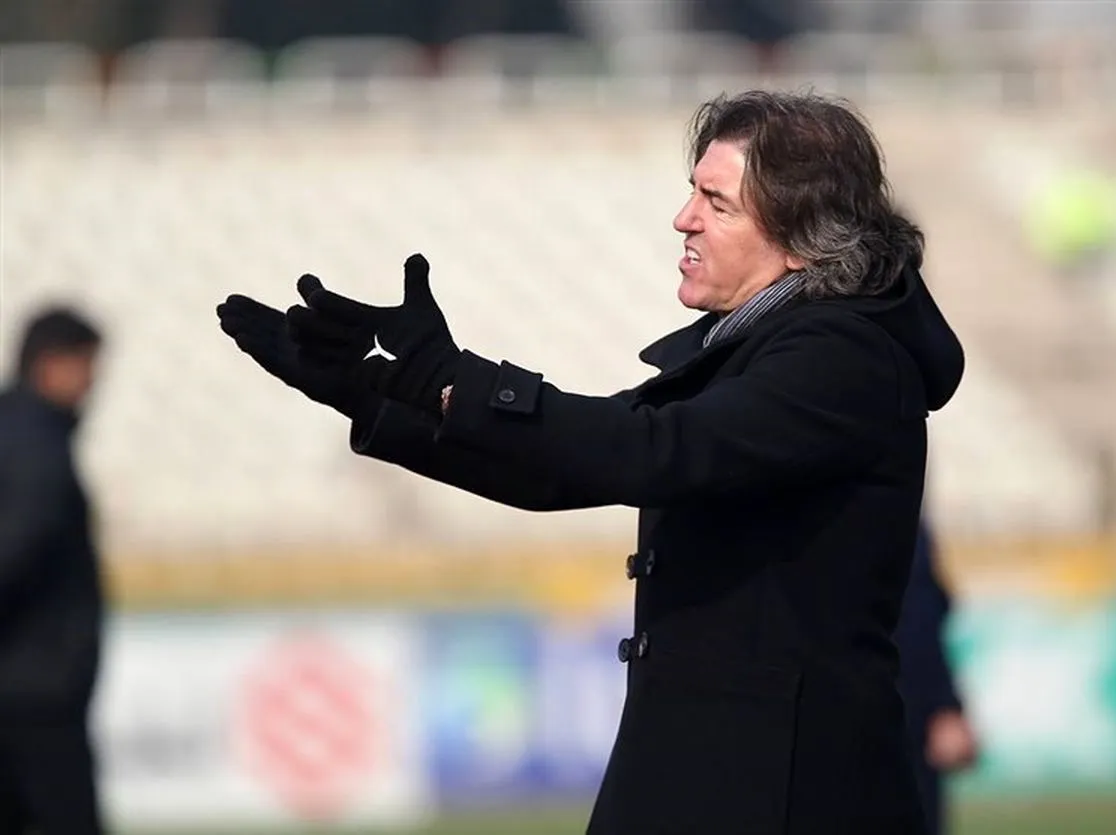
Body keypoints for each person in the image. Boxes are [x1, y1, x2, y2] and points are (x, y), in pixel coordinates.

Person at [217, 89, 965, 834]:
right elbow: (561, 468)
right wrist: (373, 394)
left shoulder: (843, 357)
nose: (684, 218)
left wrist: (448, 378)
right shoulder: (756, 347)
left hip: (784, 797)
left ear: (801, 236)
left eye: (717, 203)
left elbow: (646, 451)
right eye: (693, 193)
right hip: (711, 779)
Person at [0, 306, 108, 835]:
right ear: (52, 363)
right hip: (34, 691)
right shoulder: (36, 446)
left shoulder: (18, 430)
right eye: (86, 365)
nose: (92, 382)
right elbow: (18, 547)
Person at [895, 518, 979, 835]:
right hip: (891, 713)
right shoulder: (887, 514)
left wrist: (945, 705)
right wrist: (944, 705)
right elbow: (918, 616)